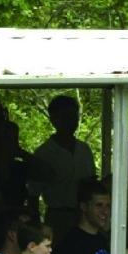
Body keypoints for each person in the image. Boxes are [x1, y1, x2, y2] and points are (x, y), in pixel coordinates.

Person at [28, 95, 97, 234]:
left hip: (84, 216)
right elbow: (33, 194)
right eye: (66, 117)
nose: (71, 121)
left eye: (74, 116)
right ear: (54, 119)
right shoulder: (44, 153)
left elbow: (91, 185)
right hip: (57, 217)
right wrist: (35, 225)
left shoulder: (84, 150)